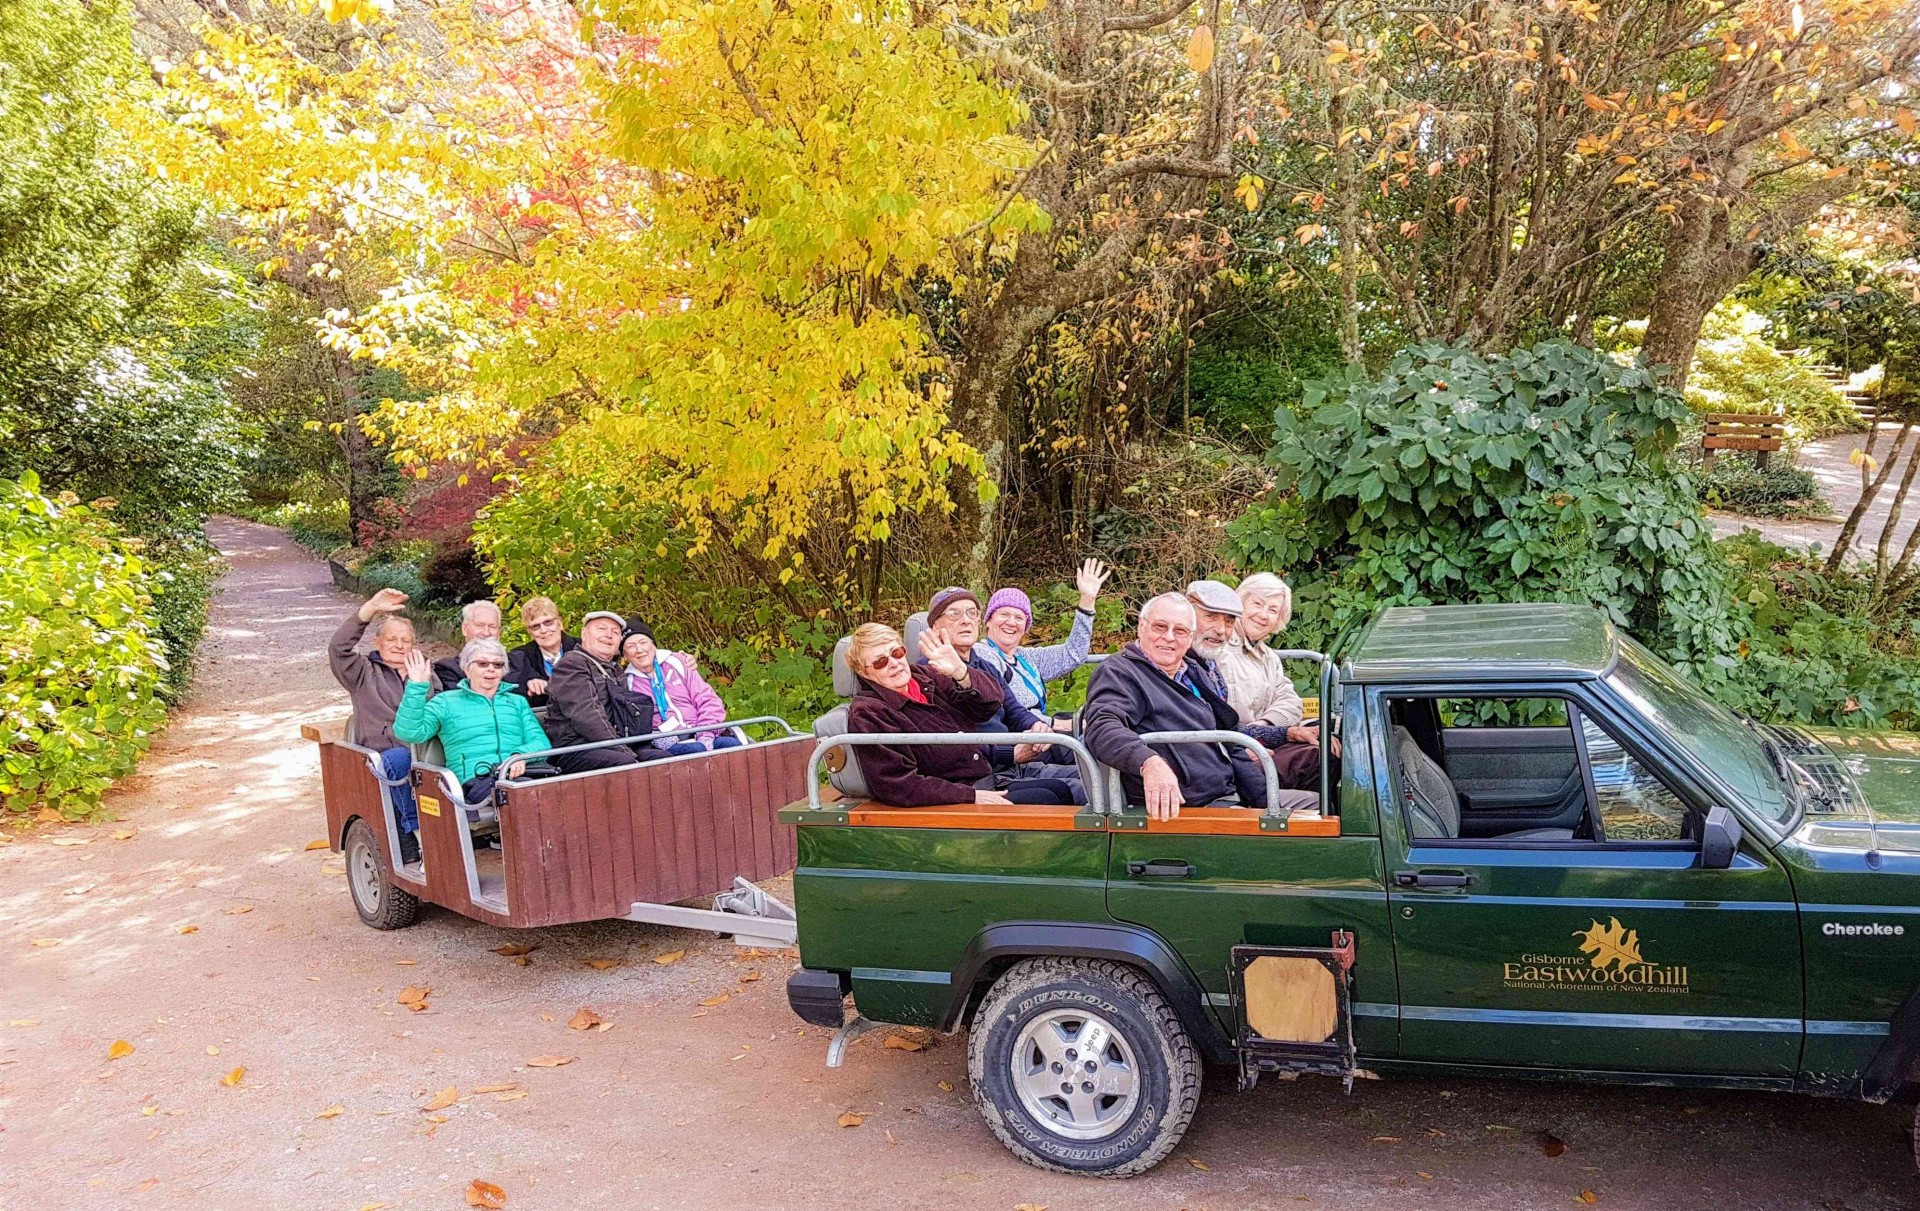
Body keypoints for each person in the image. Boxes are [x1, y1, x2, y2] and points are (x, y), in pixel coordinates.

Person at [1081, 593, 1270, 820]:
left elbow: (1231, 741)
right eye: (1160, 627)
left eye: (1180, 631)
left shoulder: (1194, 671)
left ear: (1190, 638)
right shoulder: (1120, 672)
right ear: (1141, 627)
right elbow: (1102, 727)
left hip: (1228, 796)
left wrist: (1266, 800)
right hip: (1186, 811)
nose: (1169, 637)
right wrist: (1148, 762)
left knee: (1314, 802)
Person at [845, 622, 1076, 807]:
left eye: (897, 652)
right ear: (863, 672)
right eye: (880, 662)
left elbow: (990, 704)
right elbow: (897, 784)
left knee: (1071, 786)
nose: (894, 663)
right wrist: (970, 796)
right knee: (1052, 796)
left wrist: (960, 673)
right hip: (954, 797)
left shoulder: (925, 677)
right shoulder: (868, 712)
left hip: (985, 774)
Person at [927, 586, 1082, 799]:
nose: (965, 620)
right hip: (983, 775)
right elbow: (952, 741)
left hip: (1012, 764)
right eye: (954, 613)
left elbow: (1013, 708)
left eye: (971, 613)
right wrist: (1012, 753)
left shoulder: (984, 665)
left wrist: (1035, 726)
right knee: (1067, 792)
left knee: (1095, 780)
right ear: (936, 626)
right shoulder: (930, 673)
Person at [327, 588, 444, 863]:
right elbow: (338, 648)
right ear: (378, 642)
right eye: (391, 639)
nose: (399, 645)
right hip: (386, 757)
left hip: (426, 753)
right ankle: (419, 837)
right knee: (401, 759)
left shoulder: (425, 673)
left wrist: (420, 682)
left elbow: (440, 711)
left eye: (406, 640)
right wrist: (368, 610)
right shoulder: (362, 672)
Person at [393, 639, 550, 808]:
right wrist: (417, 686)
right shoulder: (446, 702)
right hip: (476, 780)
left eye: (497, 665)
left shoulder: (517, 702)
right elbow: (409, 732)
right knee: (524, 797)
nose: (491, 668)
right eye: (482, 663)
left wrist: (519, 756)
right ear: (467, 669)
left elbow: (541, 742)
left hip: (521, 775)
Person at [1213, 572, 1334, 790]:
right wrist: (1249, 739)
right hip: (1235, 754)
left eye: (1273, 610)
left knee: (1331, 739)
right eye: (1257, 604)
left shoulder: (1268, 657)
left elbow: (1291, 702)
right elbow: (1215, 714)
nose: (1263, 615)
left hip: (1264, 741)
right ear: (1240, 603)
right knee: (1320, 757)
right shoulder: (1219, 649)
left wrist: (1264, 726)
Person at [973, 557, 1111, 718]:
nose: (1011, 622)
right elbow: (1006, 709)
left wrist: (1087, 601)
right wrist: (1053, 725)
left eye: (1019, 618)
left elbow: (1073, 654)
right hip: (1017, 735)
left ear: (1025, 627)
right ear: (988, 621)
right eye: (1004, 614)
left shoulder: (1025, 658)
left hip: (1040, 729)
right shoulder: (982, 655)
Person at [545, 610, 664, 772]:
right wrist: (621, 748)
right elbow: (587, 717)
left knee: (663, 759)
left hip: (615, 744)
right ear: (584, 634)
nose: (608, 635)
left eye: (615, 632)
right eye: (601, 629)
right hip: (576, 748)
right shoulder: (572, 664)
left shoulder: (616, 670)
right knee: (627, 764)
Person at [613, 616, 741, 757]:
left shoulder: (677, 662)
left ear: (653, 644)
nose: (639, 650)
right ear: (625, 655)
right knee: (696, 751)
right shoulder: (628, 682)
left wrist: (706, 734)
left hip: (701, 729)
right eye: (631, 646)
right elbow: (636, 724)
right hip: (669, 742)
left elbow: (708, 700)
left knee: (731, 746)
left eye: (643, 642)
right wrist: (656, 738)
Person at [507, 597, 576, 708]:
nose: (543, 630)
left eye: (548, 622)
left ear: (560, 623)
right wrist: (528, 684)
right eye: (535, 626)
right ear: (530, 632)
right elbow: (514, 686)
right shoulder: (519, 657)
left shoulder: (582, 648)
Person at [432, 600, 503, 689]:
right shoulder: (447, 669)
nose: (486, 633)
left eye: (492, 627)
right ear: (465, 629)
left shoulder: (512, 667)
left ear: (499, 633)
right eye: (479, 625)